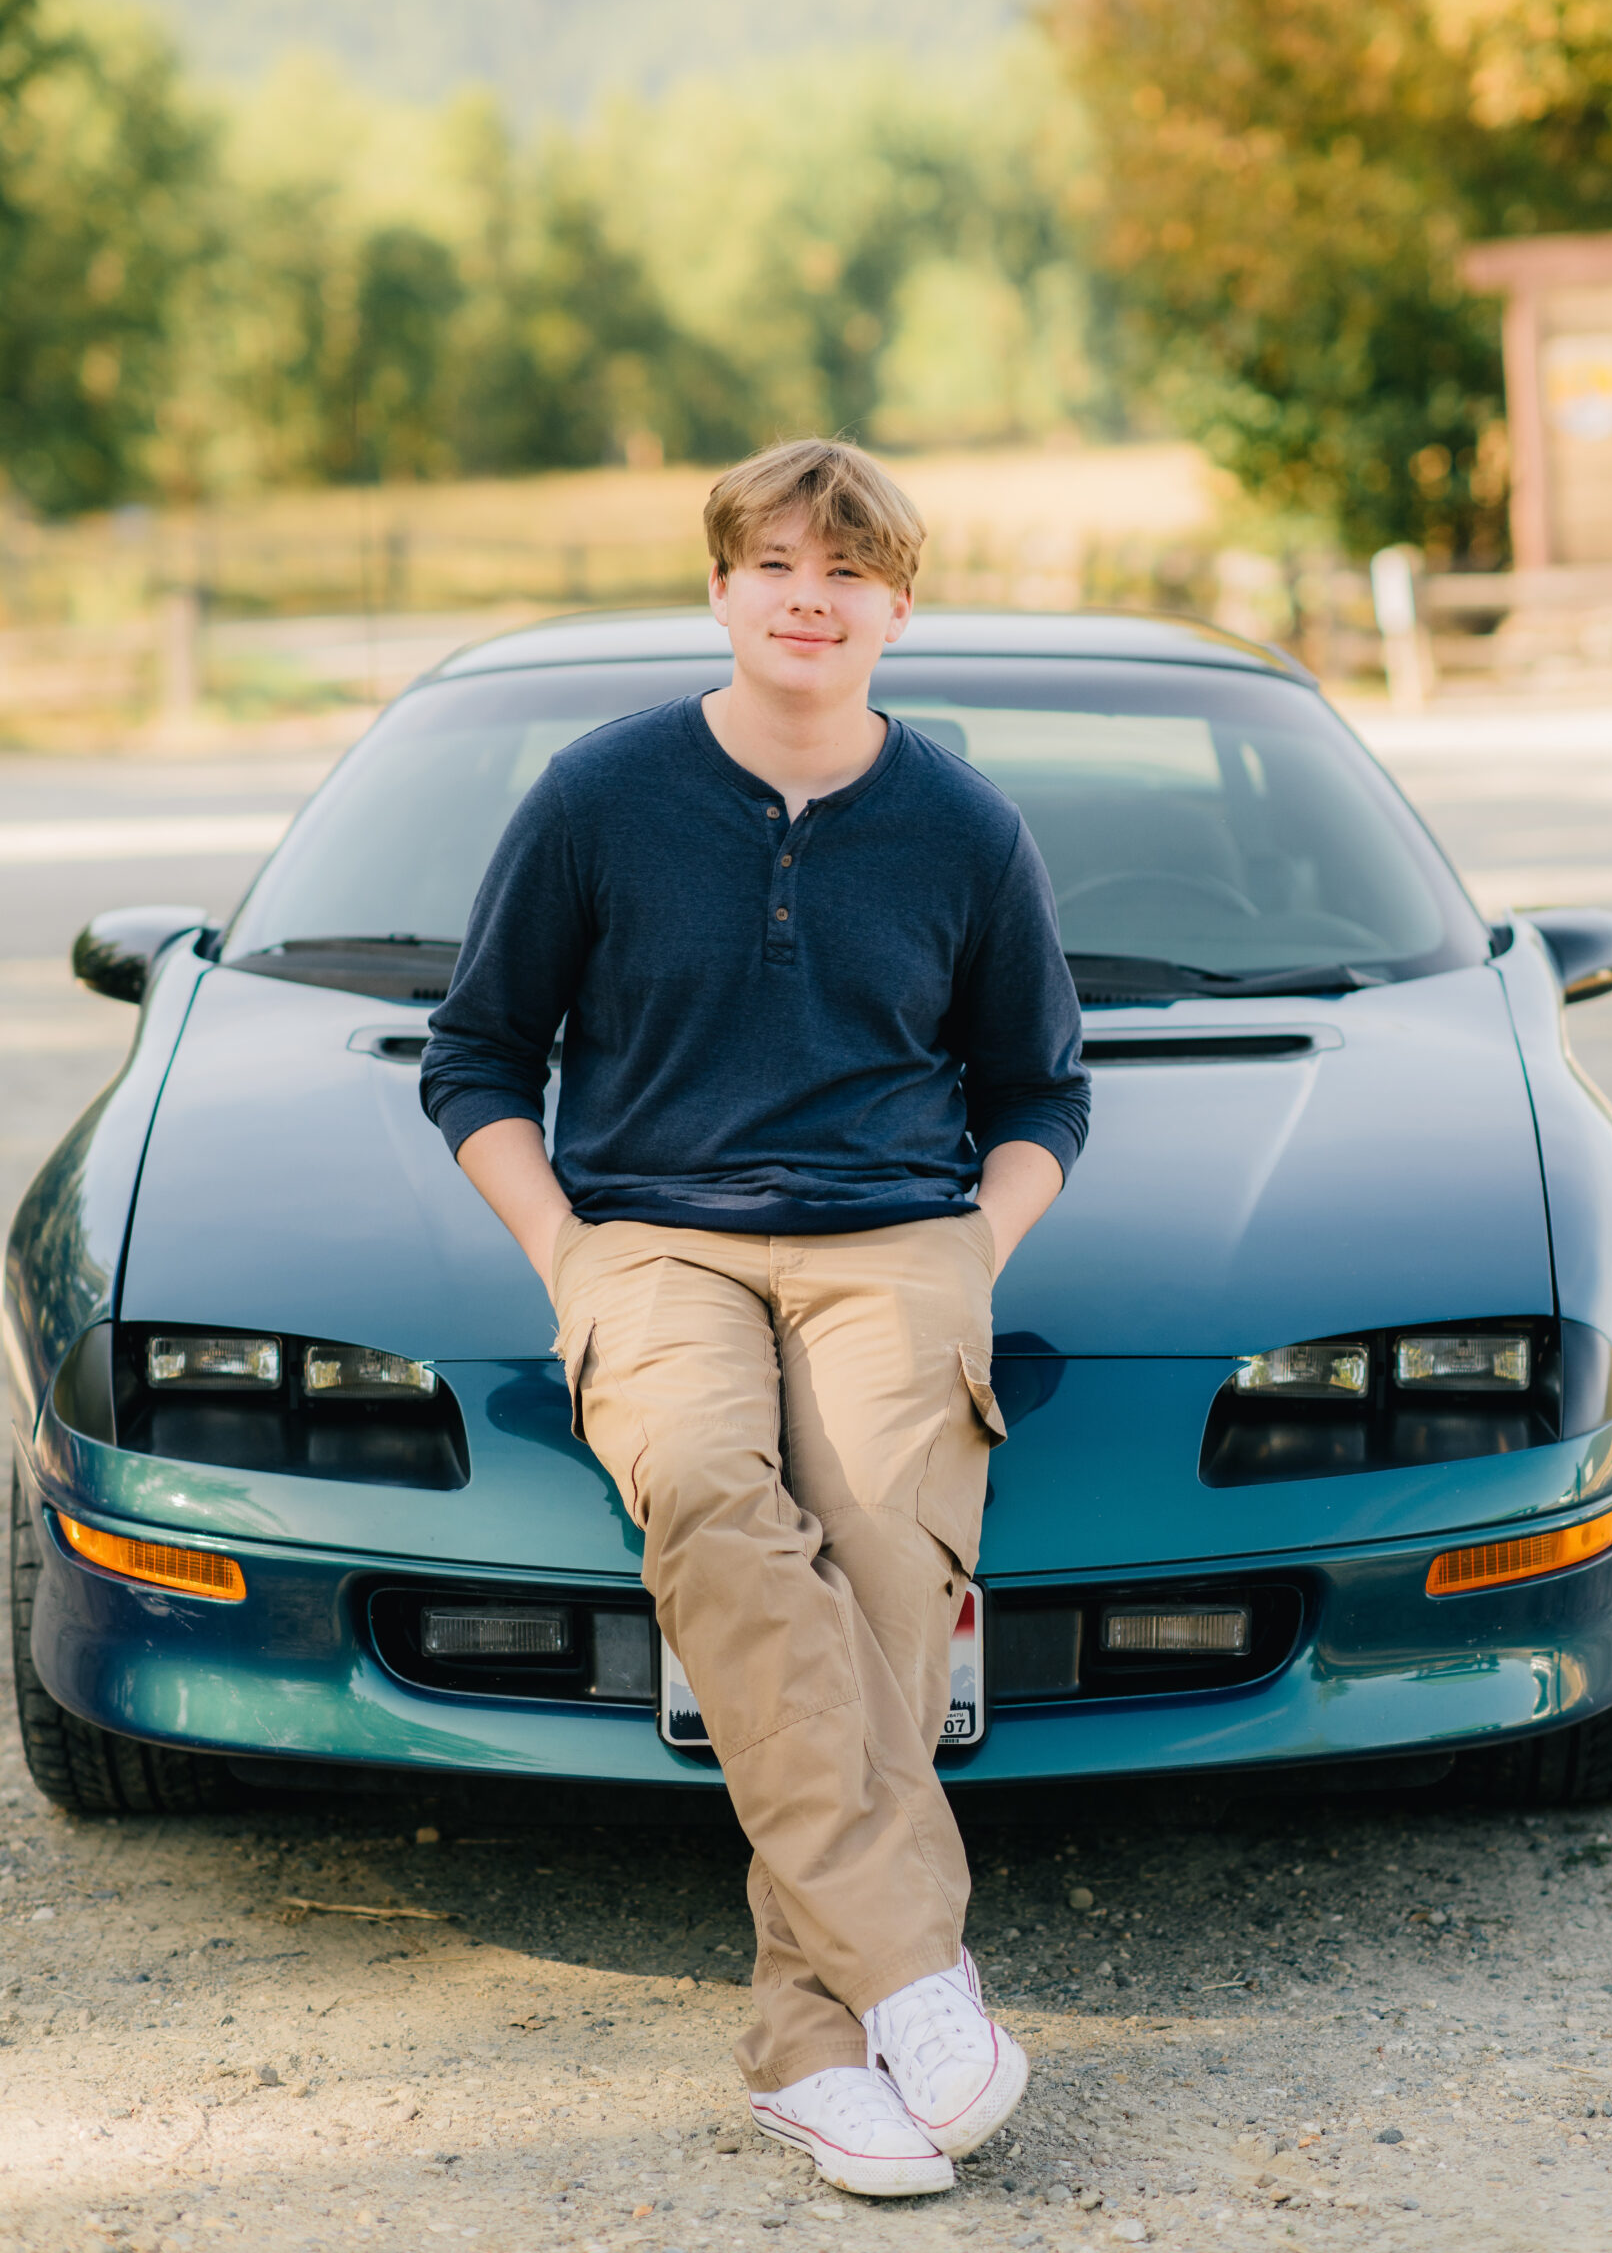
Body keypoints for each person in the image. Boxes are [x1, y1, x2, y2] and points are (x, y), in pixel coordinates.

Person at [420, 437, 1089, 2198]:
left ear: (898, 607)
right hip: (650, 1236)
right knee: (715, 1501)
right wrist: (567, 1250)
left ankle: (808, 2043)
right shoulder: (596, 795)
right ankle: (917, 1978)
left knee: (879, 1584)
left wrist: (972, 1253)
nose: (812, 592)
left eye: (849, 567)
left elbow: (1043, 1094)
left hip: (896, 1242)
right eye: (777, 560)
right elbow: (476, 1057)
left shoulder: (962, 826)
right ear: (721, 587)